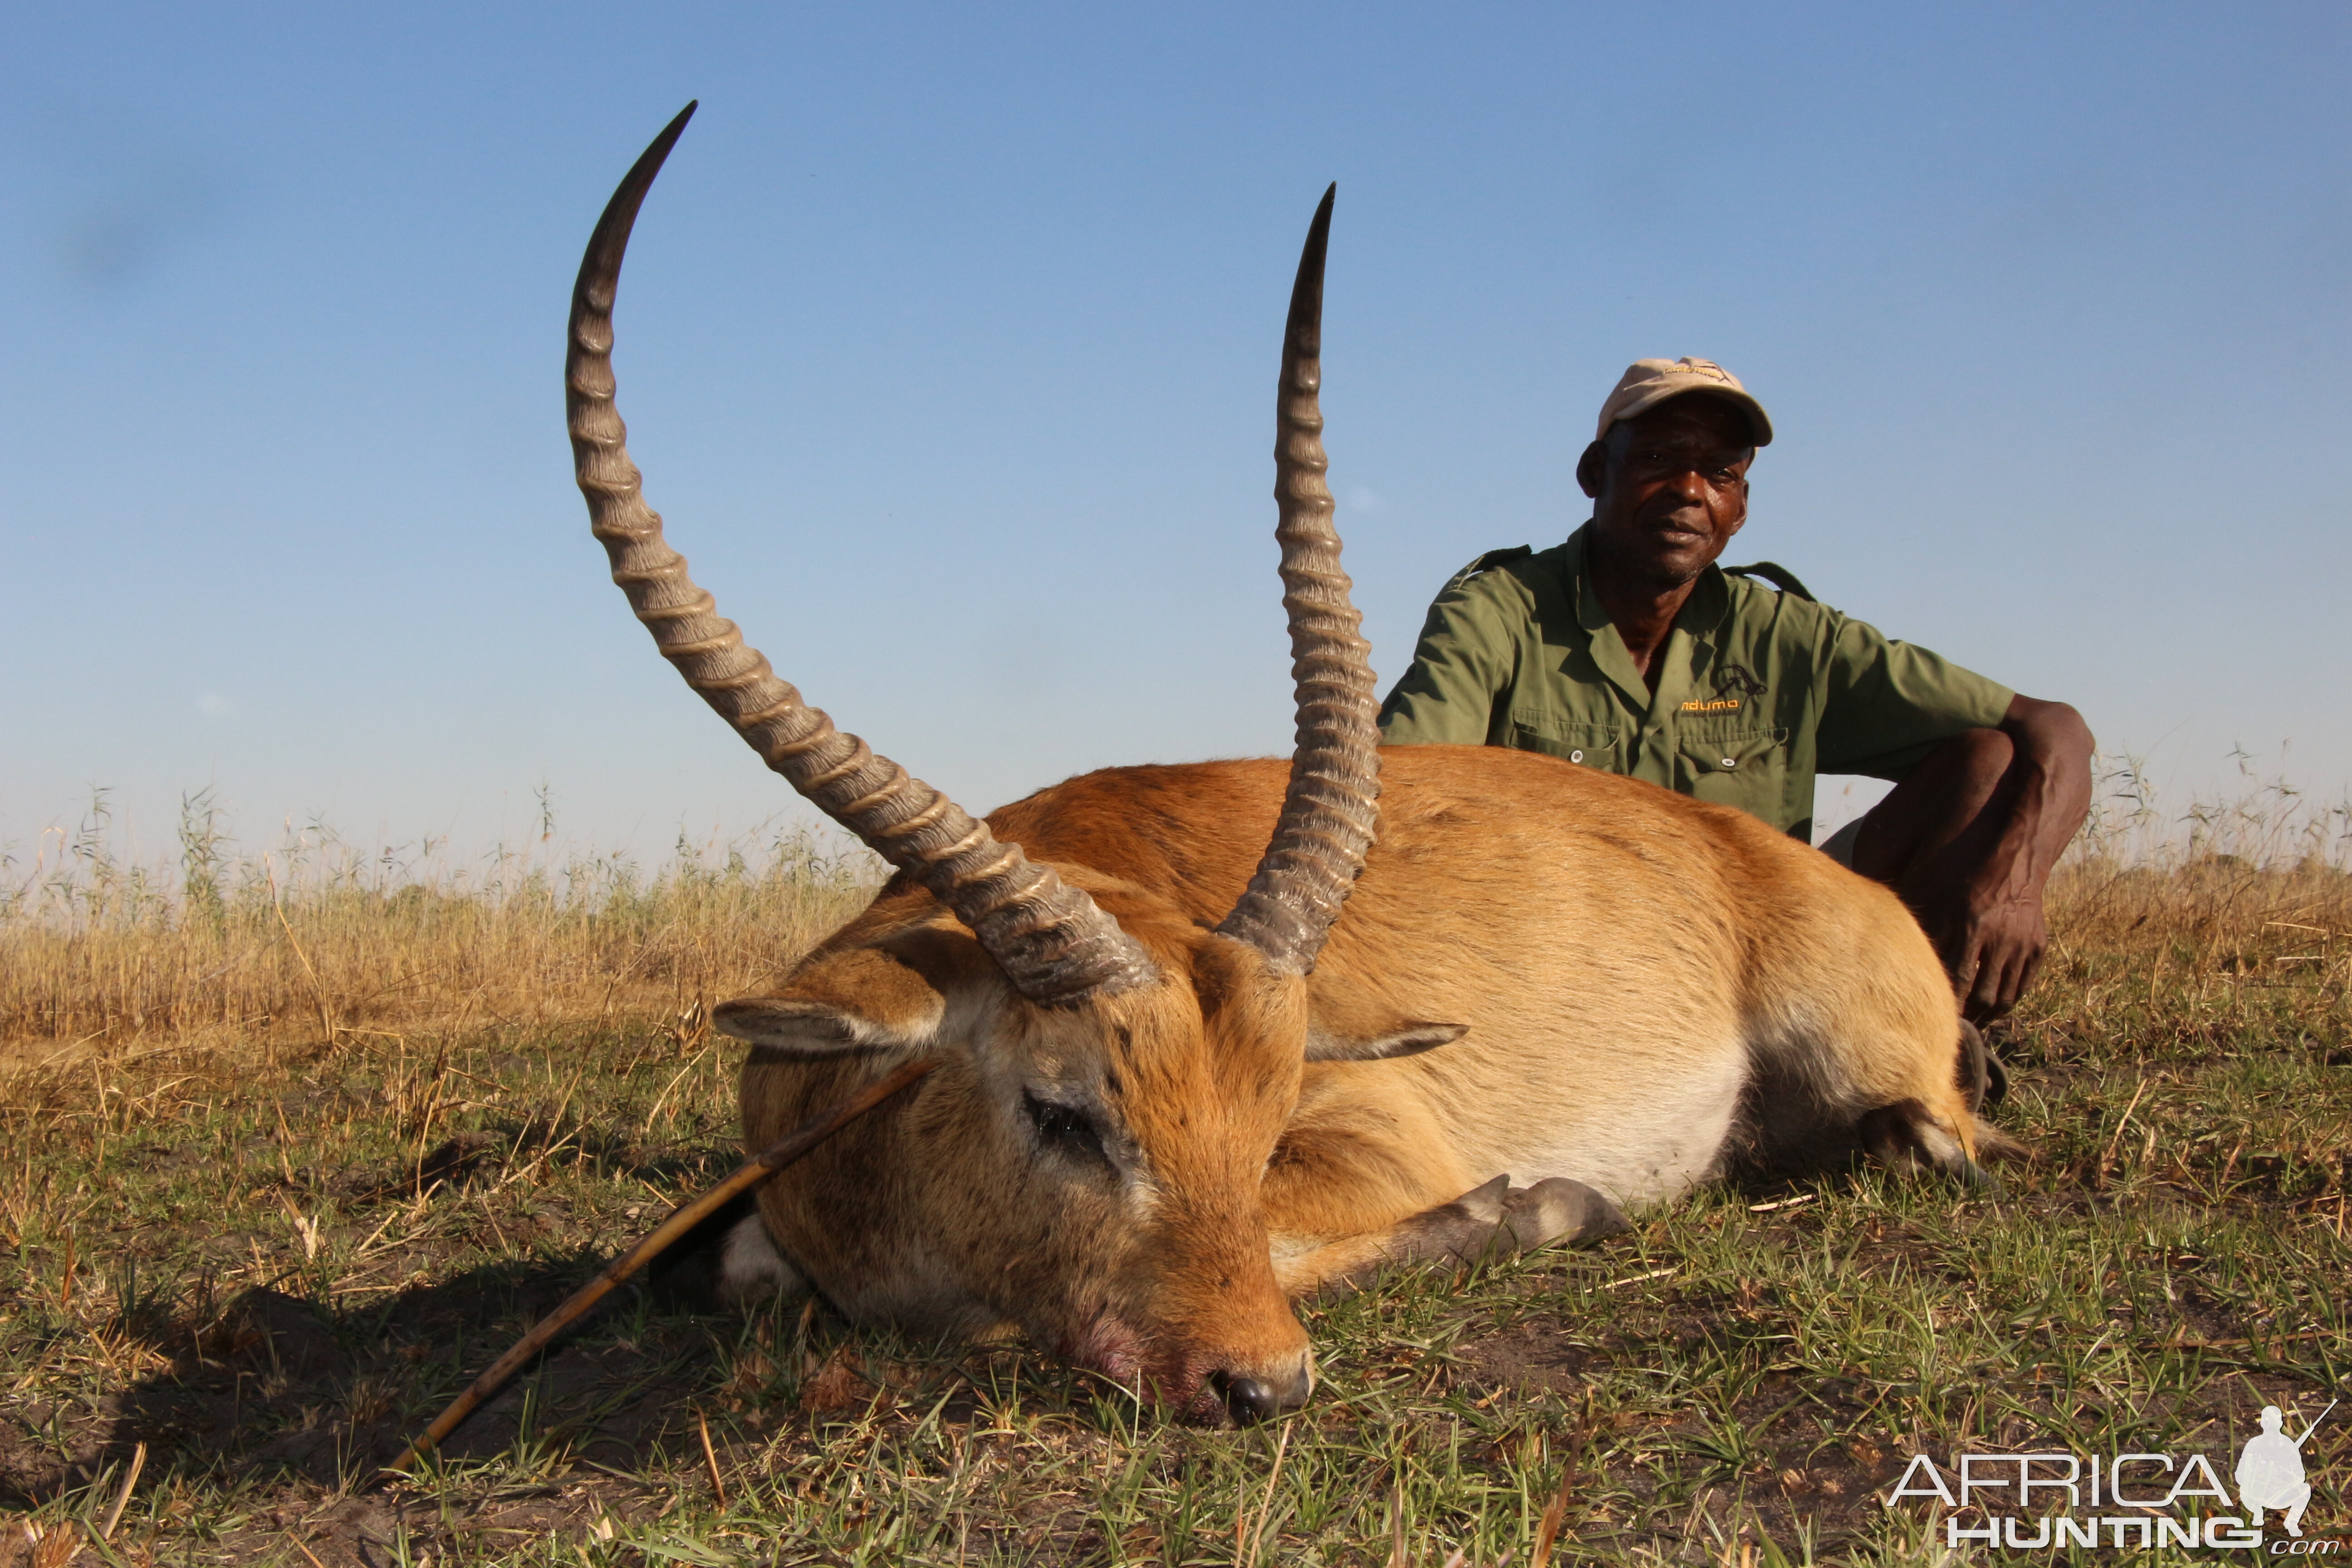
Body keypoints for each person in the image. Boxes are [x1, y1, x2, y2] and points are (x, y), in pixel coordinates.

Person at [1378, 358, 2093, 1063]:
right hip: (1563, 959)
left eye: (1720, 473)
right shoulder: (1499, 611)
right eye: (1658, 458)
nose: (1689, 492)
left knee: (1989, 761)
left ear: (1741, 507)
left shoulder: (1789, 636)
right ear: (1596, 473)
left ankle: (1921, 1038)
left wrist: (2016, 887)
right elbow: (1400, 787)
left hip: (1758, 948)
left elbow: (2054, 727)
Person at [2235, 1405, 2317, 1536]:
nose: (2270, 1424)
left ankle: (2292, 1523)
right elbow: (2240, 1475)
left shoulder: (2288, 1445)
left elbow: (2300, 1476)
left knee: (2305, 1489)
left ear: (2280, 1423)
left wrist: (2284, 1475)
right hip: (2257, 1494)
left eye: (2273, 1421)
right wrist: (2258, 1477)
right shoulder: (2254, 1444)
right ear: (2262, 1423)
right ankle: (2256, 1518)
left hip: (2281, 1492)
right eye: (2267, 1420)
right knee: (2246, 1490)